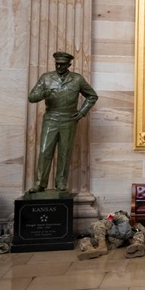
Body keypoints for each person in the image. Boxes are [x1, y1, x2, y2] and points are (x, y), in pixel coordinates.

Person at [27, 52, 98, 193]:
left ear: (69, 65)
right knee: (45, 151)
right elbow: (32, 97)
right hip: (51, 118)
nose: (59, 66)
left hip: (69, 119)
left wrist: (82, 112)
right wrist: (44, 94)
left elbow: (92, 96)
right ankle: (40, 183)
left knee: (64, 152)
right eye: (57, 64)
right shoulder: (46, 77)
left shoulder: (77, 79)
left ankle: (61, 182)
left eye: (62, 64)